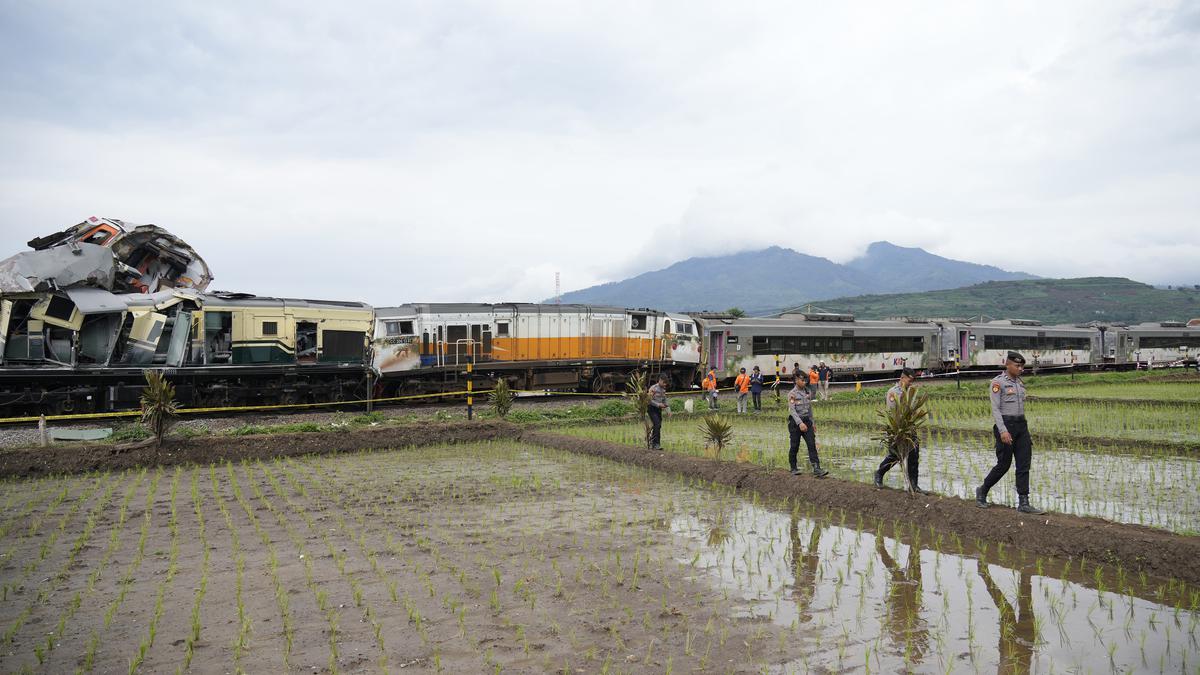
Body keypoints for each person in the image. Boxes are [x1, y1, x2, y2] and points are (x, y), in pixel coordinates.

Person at [975, 351, 1045, 514]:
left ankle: (1024, 502)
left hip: (1021, 426)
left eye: (1022, 366)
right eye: (1017, 365)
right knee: (1004, 465)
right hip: (1006, 426)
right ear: (1008, 365)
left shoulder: (1020, 383)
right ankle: (982, 490)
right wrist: (1003, 431)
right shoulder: (997, 383)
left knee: (1024, 464)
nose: (1021, 368)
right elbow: (996, 409)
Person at [873, 367, 930, 493]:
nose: (910, 383)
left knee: (914, 455)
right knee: (895, 456)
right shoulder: (892, 392)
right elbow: (893, 413)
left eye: (912, 381)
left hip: (909, 428)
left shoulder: (911, 391)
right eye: (909, 381)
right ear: (902, 378)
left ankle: (913, 486)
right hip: (897, 429)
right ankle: (879, 473)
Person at [787, 372, 828, 477]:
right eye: (802, 380)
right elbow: (792, 411)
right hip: (795, 423)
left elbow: (809, 409)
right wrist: (800, 423)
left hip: (807, 421)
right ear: (796, 380)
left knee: (811, 444)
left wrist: (812, 423)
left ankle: (816, 468)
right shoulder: (792, 394)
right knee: (794, 446)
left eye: (805, 380)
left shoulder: (807, 391)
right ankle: (793, 467)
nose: (804, 382)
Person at [647, 373, 669, 450]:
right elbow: (649, 400)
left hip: (658, 410)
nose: (665, 384)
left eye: (666, 383)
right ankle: (654, 444)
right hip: (651, 409)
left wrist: (668, 410)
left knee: (658, 426)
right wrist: (658, 405)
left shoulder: (663, 390)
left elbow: (665, 400)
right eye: (664, 382)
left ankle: (656, 444)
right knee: (657, 424)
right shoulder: (653, 388)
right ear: (660, 380)